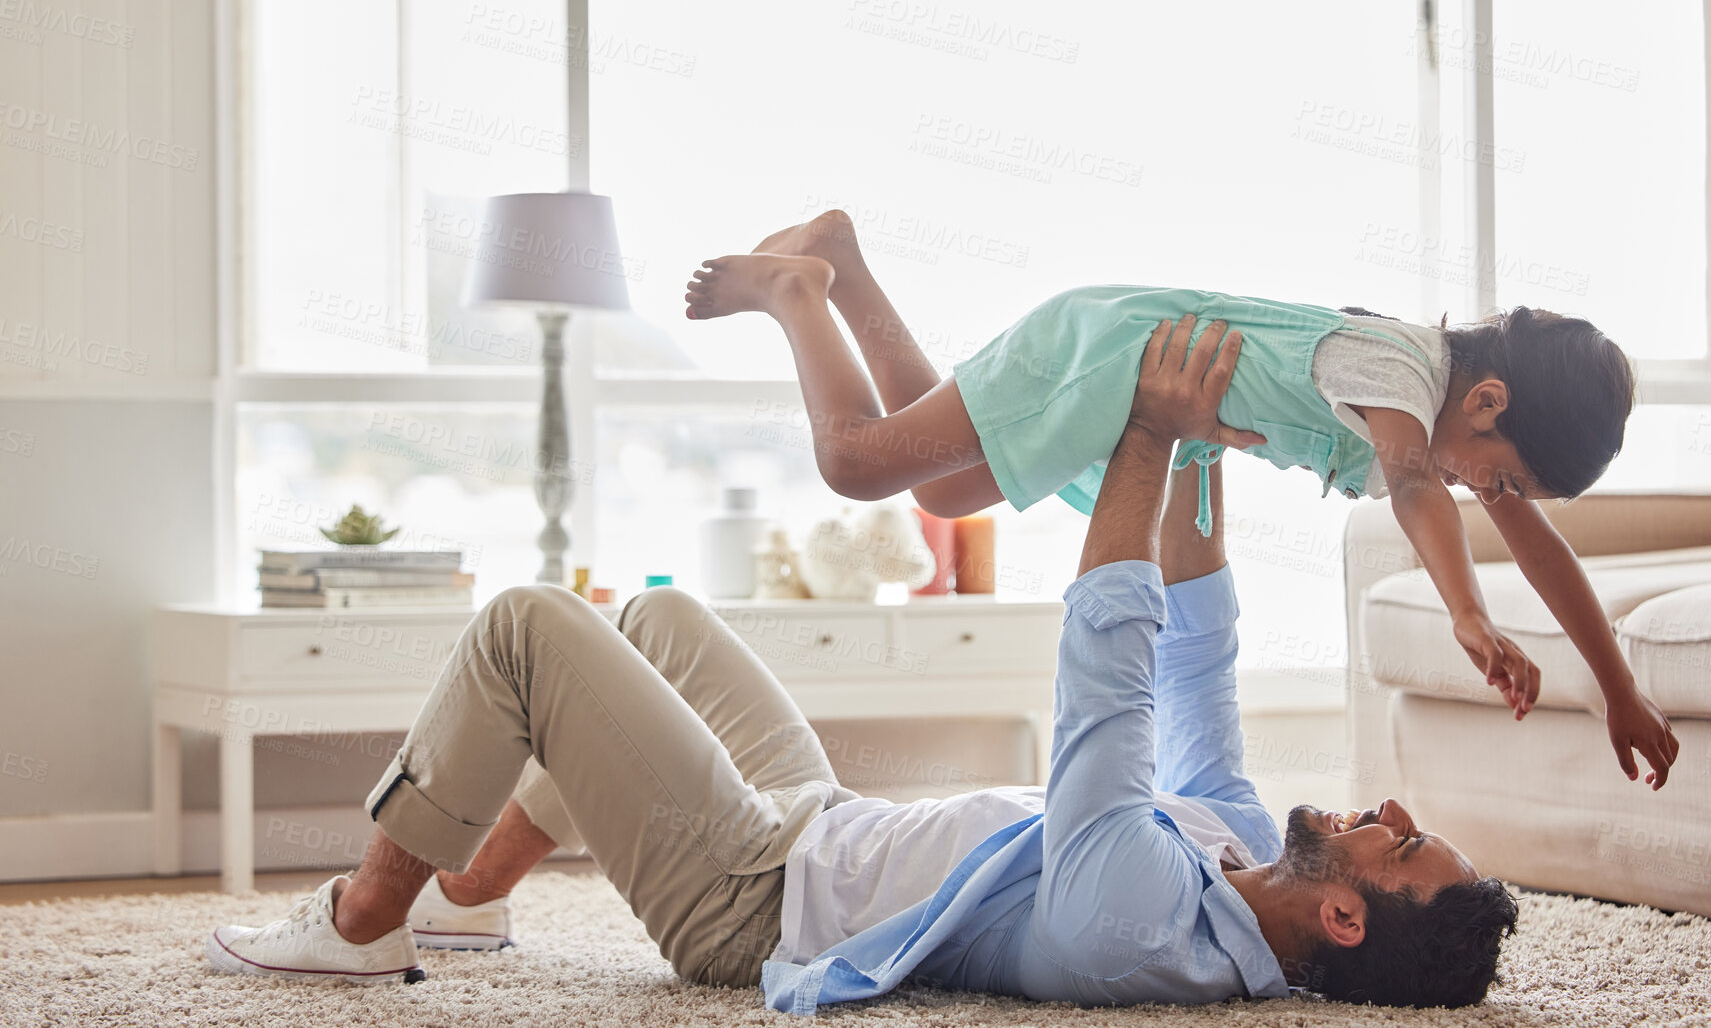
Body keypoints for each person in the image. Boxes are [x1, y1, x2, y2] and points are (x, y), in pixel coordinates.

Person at [206, 316, 1518, 1012]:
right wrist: (1198, 448)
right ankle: (475, 889)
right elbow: (1194, 660)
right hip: (820, 823)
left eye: (1398, 846)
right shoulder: (1231, 843)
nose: (1389, 812)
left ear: (1341, 917)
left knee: (528, 622)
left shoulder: (1145, 927)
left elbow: (1107, 684)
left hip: (750, 896)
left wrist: (1135, 434)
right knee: (659, 620)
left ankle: (363, 920)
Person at [684, 210, 1678, 789]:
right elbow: (1416, 483)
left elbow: (1538, 544)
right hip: (1122, 360)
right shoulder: (1405, 371)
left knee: (941, 485)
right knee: (859, 464)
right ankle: (799, 294)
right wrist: (1465, 611)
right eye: (1498, 474)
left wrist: (1620, 690)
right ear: (1490, 401)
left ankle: (843, 265)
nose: (1490, 495)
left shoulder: (1449, 405)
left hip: (1134, 366)